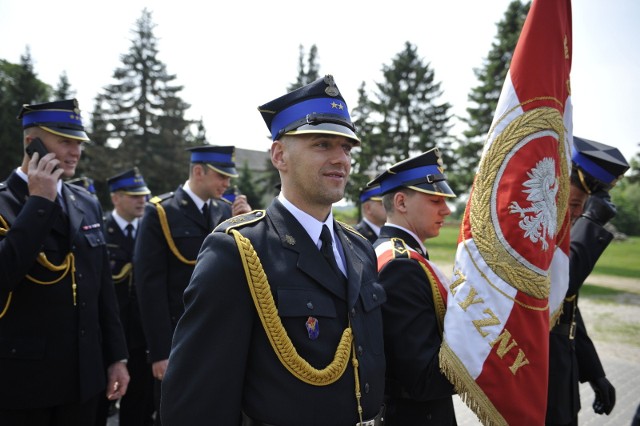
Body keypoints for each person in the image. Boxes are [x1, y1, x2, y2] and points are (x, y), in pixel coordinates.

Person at [160, 75, 386, 425]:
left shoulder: (359, 248)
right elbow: (197, 399)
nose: (341, 159)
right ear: (279, 155)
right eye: (323, 144)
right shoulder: (237, 251)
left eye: (347, 147)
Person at [0, 99, 129, 425]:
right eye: (64, 141)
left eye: (78, 143)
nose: (75, 152)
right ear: (33, 144)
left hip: (83, 378)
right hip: (23, 383)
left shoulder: (84, 200)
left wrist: (117, 357)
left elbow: (103, 290)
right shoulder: (5, 202)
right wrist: (39, 203)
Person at [134, 144, 251, 424]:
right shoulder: (161, 212)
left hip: (219, 338)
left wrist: (247, 221)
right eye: (221, 176)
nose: (227, 183)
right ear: (198, 171)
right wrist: (160, 351)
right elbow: (149, 289)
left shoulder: (225, 212)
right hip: (177, 338)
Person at [369, 148, 458, 425]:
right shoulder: (402, 265)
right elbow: (423, 379)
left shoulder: (389, 251)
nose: (447, 209)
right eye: (435, 200)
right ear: (401, 202)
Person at [546, 136, 629, 426]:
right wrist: (592, 222)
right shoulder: (529, 238)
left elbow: (568, 309)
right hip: (532, 382)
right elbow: (562, 284)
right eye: (574, 203)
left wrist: (594, 373)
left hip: (560, 378)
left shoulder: (557, 239)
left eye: (583, 207)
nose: (577, 214)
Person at [95, 168, 155, 425]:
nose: (141, 200)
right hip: (108, 336)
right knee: (100, 404)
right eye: (133, 195)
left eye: (143, 195)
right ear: (115, 198)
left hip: (143, 336)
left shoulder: (152, 232)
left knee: (140, 404)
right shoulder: (100, 232)